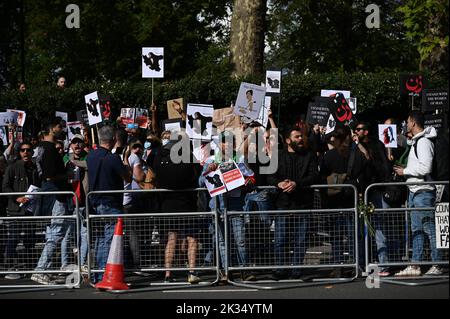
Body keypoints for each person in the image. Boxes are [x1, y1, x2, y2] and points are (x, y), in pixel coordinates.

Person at [267, 126, 320, 280]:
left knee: (301, 240)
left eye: (301, 136)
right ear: (288, 140)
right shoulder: (278, 156)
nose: (301, 139)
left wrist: (297, 183)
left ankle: (297, 270)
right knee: (281, 239)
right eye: (297, 137)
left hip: (302, 203)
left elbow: (314, 176)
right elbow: (270, 177)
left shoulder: (309, 155)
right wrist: (279, 184)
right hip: (283, 204)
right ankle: (280, 270)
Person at [393, 111, 442, 276]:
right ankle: (416, 265)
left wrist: (404, 171)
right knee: (417, 230)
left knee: (428, 228)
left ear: (413, 123)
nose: (406, 124)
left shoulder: (423, 142)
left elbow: (425, 167)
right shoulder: (417, 141)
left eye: (408, 121)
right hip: (415, 191)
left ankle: (438, 264)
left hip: (423, 191)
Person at [152, 133, 201, 283]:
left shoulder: (160, 154)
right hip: (187, 201)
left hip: (168, 203)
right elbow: (196, 174)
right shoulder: (187, 154)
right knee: (191, 237)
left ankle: (168, 274)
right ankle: (192, 272)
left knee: (171, 239)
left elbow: (154, 174)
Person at [87, 126, 132, 282]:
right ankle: (102, 276)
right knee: (108, 240)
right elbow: (127, 177)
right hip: (110, 203)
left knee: (100, 239)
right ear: (113, 140)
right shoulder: (112, 158)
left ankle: (97, 275)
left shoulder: (91, 156)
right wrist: (125, 159)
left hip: (95, 202)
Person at [31, 117, 73, 285]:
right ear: (51, 128)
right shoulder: (49, 149)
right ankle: (41, 269)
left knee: (53, 233)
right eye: (59, 126)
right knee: (56, 233)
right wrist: (67, 175)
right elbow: (49, 174)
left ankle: (44, 269)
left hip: (49, 193)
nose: (61, 129)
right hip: (55, 194)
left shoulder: (41, 148)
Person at [2, 142, 40, 279]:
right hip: (14, 210)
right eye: (23, 150)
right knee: (13, 237)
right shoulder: (12, 168)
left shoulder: (34, 168)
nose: (26, 153)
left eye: (28, 150)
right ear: (19, 152)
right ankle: (9, 265)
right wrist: (17, 198)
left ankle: (27, 263)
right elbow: (5, 187)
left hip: (30, 210)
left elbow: (37, 186)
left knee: (30, 238)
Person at [63, 134, 89, 272]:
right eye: (75, 143)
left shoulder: (89, 156)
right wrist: (71, 162)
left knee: (84, 233)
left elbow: (88, 164)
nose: (77, 145)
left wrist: (75, 163)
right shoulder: (66, 158)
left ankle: (82, 263)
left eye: (80, 142)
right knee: (67, 234)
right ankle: (65, 264)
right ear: (71, 145)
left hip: (85, 200)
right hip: (69, 201)